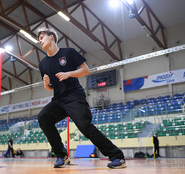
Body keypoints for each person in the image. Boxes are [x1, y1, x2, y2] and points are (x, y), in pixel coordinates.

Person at [37, 27, 126, 169]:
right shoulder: (43, 64)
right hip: (58, 100)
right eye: (38, 39)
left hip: (74, 95)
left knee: (85, 127)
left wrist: (68, 74)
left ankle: (117, 156)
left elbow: (86, 70)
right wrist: (46, 84)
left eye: (42, 37)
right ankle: (62, 156)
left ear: (52, 37)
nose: (40, 40)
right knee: (43, 116)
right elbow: (50, 88)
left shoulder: (69, 52)